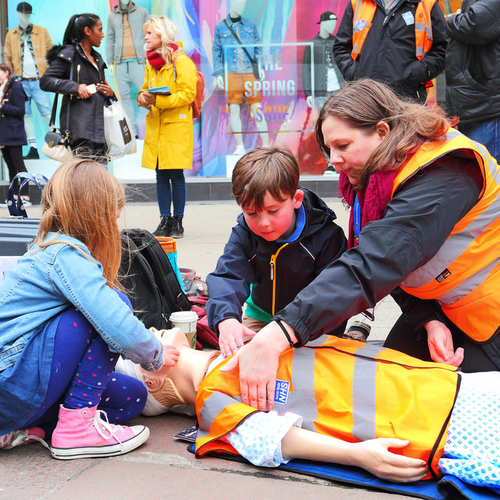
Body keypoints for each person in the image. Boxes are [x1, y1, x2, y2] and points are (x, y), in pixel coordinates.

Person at [219, 79, 500, 414]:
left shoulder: (444, 172)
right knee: (378, 391)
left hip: (489, 313)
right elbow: (401, 265)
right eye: (329, 149)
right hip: (444, 308)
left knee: (441, 410)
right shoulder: (381, 174)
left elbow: (377, 262)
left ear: (382, 132)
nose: (333, 160)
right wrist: (427, 318)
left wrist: (280, 332)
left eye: (342, 145)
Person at [116, 328, 500, 492]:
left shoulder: (237, 345)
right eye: (141, 341)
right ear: (152, 379)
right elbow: (274, 440)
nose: (151, 329)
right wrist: (358, 456)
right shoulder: (213, 400)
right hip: (435, 424)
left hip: (440, 388)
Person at [0, 159, 180, 460]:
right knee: (110, 308)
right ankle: (75, 431)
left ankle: (32, 430)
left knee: (132, 398)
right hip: (13, 381)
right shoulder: (63, 253)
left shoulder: (53, 248)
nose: (115, 223)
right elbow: (115, 322)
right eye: (113, 215)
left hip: (23, 389)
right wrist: (155, 354)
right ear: (95, 215)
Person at [206, 146, 348, 359]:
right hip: (260, 317)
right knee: (234, 363)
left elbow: (333, 296)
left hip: (311, 325)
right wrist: (226, 319)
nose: (263, 223)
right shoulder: (244, 233)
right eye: (251, 213)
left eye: (273, 211)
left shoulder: (326, 237)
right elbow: (227, 276)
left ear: (296, 199)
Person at [137, 16, 197, 239]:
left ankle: (177, 221)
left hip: (175, 127)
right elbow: (144, 89)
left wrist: (158, 101)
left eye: (150, 33)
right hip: (157, 125)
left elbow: (188, 94)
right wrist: (142, 97)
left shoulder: (182, 62)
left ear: (162, 35)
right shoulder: (150, 63)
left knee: (176, 175)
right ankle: (164, 219)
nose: (146, 37)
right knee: (160, 175)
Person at [332, 0, 447, 103]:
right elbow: (341, 46)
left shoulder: (427, 3)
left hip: (407, 99)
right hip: (364, 99)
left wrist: (416, 74)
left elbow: (443, 49)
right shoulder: (358, 3)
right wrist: (354, 74)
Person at [40, 14, 114, 163]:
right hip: (79, 133)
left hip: (100, 133)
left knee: (100, 181)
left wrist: (110, 94)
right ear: (87, 31)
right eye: (99, 30)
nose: (103, 34)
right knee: (83, 181)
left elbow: (100, 93)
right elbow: (46, 81)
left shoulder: (97, 58)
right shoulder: (69, 54)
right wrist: (76, 87)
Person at [445, 0, 500, 164]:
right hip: (478, 101)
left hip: (486, 104)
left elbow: (476, 23)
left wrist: (452, 19)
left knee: (488, 169)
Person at [212, 0, 268, 155]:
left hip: (250, 72)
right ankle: (240, 145)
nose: (241, 5)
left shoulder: (250, 25)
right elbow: (216, 51)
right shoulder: (221, 27)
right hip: (232, 73)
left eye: (243, 2)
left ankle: (266, 143)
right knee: (234, 109)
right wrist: (219, 73)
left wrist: (260, 66)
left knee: (257, 107)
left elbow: (258, 47)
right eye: (238, 2)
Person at [4, 2, 52, 160]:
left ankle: (59, 144)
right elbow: (8, 59)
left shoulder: (42, 32)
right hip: (20, 82)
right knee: (25, 115)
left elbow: (51, 54)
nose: (24, 17)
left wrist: (51, 75)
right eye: (22, 14)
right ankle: (33, 148)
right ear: (17, 15)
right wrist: (11, 82)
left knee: (46, 112)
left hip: (39, 80)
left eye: (27, 14)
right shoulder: (11, 35)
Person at [302, 10, 344, 175]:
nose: (333, 25)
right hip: (320, 92)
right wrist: (307, 93)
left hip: (339, 92)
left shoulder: (338, 41)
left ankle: (339, 162)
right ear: (323, 23)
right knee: (322, 129)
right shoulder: (312, 44)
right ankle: (330, 162)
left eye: (335, 22)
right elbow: (306, 70)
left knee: (341, 127)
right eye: (330, 22)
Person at [106, 0, 149, 138]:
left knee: (147, 96)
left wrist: (149, 58)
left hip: (139, 61)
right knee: (124, 99)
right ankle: (133, 134)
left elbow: (150, 35)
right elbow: (110, 39)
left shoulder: (142, 12)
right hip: (120, 63)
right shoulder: (112, 16)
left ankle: (152, 129)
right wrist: (110, 62)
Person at [0, 62, 31, 207]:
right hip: (4, 134)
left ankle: (25, 195)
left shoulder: (15, 87)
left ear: (6, 72)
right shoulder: (2, 88)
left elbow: (20, 110)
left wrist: (2, 107)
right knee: (10, 166)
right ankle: (13, 196)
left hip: (14, 133)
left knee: (19, 165)